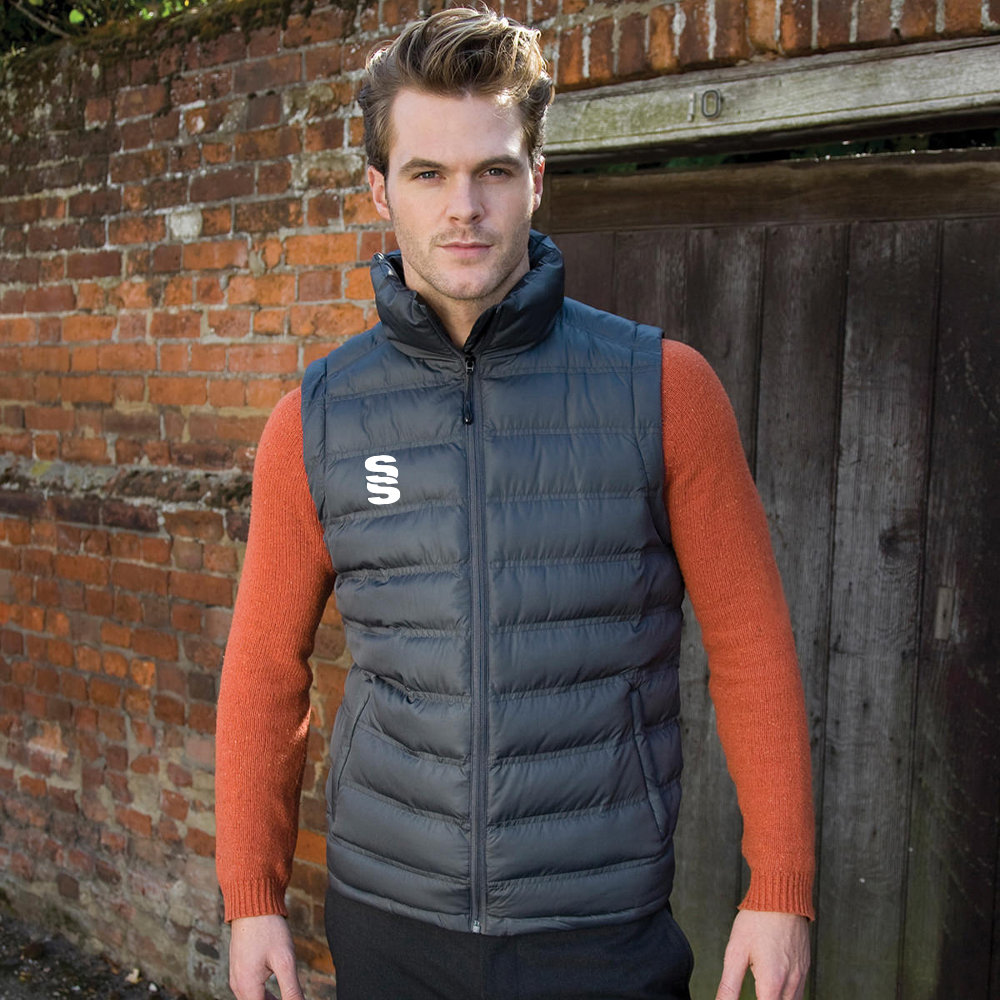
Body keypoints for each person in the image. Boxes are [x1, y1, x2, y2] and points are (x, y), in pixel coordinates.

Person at [215, 8, 815, 1000]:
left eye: (492, 170)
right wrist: (251, 897)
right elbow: (263, 675)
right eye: (427, 173)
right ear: (379, 189)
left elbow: (752, 646)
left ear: (536, 178)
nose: (464, 208)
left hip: (599, 929)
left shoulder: (667, 391)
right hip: (389, 925)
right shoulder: (314, 422)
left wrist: (780, 887)